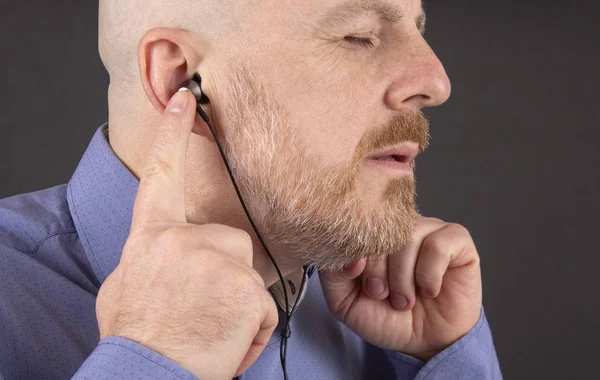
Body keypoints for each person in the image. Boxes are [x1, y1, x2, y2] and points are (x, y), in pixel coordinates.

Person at [0, 0, 503, 379]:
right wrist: (151, 362)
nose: (435, 82)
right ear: (182, 79)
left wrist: (442, 363)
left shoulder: (394, 321)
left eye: (417, 29)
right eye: (359, 37)